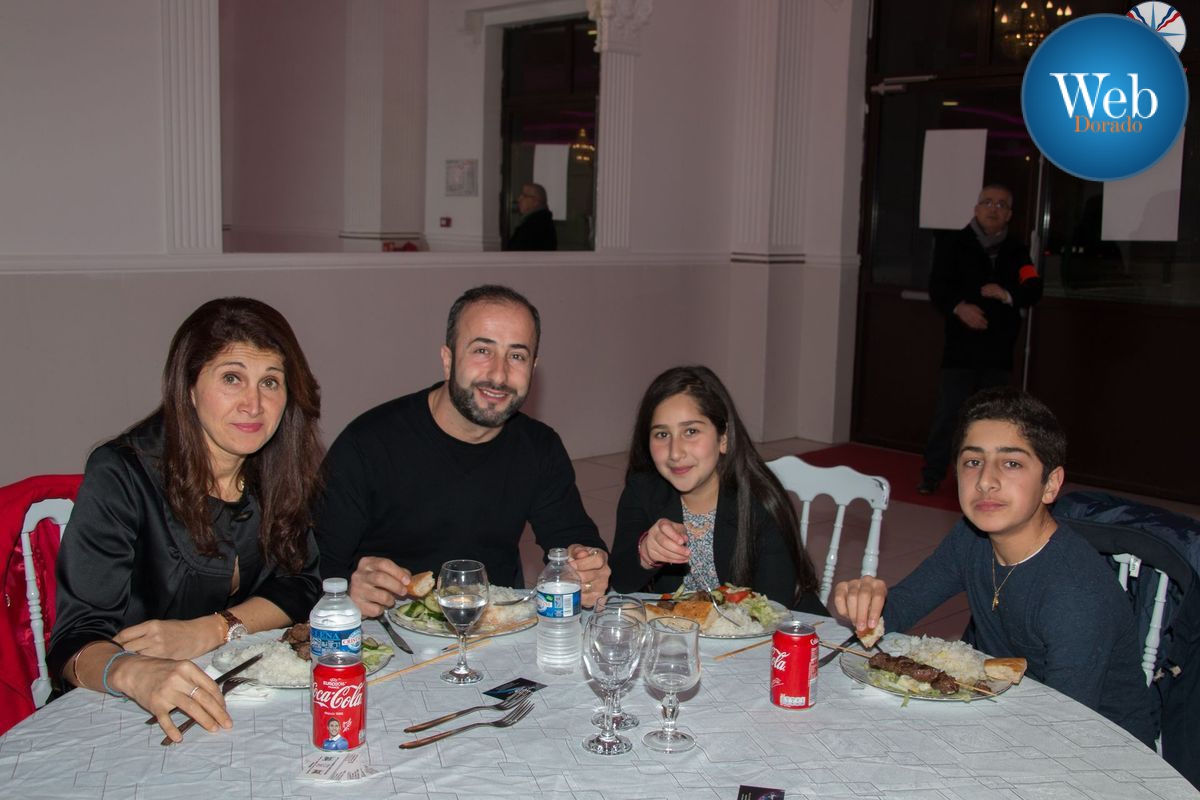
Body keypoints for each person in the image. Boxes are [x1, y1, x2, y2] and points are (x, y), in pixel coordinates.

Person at [48, 297, 324, 742]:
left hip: (242, 703)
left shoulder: (277, 469)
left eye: (270, 382)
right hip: (120, 712)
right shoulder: (122, 474)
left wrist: (214, 629)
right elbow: (75, 642)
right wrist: (133, 671)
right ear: (189, 388)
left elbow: (301, 585)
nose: (254, 404)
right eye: (232, 378)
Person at [835, 388, 1155, 745]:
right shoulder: (971, 537)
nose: (986, 480)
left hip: (1103, 749)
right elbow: (899, 611)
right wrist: (867, 601)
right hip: (1006, 715)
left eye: (1011, 463)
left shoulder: (1075, 595)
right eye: (973, 462)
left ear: (1051, 484)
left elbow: (1066, 729)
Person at [315, 284, 609, 617]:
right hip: (385, 629)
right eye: (482, 351)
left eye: (517, 356)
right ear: (448, 359)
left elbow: (572, 536)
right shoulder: (368, 444)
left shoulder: (539, 447)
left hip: (493, 627)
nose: (499, 375)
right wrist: (347, 589)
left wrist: (587, 562)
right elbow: (311, 568)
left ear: (533, 367)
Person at [608, 366, 826, 614]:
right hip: (687, 633)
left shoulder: (761, 501)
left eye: (691, 431)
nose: (675, 452)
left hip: (784, 629)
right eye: (662, 434)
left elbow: (775, 609)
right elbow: (621, 581)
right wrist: (646, 553)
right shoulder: (643, 490)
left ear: (724, 438)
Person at [918, 184, 1043, 495]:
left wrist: (1007, 294)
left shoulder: (1016, 250)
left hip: (998, 350)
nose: (993, 209)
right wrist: (960, 308)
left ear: (1009, 214)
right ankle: (932, 474)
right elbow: (938, 287)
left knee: (993, 418)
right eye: (987, 202)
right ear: (976, 209)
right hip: (960, 349)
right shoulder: (954, 244)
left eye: (1001, 205)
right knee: (950, 413)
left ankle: (988, 479)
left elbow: (1033, 288)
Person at [505, 183, 557, 251]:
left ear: (535, 202)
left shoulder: (537, 226)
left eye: (524, 196)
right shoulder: (536, 222)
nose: (519, 199)